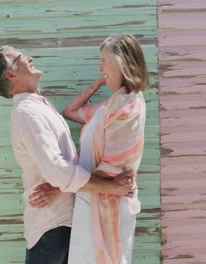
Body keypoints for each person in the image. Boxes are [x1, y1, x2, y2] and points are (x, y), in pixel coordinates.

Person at [0, 45, 136, 264]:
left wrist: (59, 186)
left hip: (64, 223)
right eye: (20, 57)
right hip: (52, 226)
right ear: (11, 74)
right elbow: (59, 172)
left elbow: (61, 171)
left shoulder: (39, 106)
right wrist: (113, 187)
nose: (30, 56)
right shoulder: (28, 113)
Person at [30, 33, 148, 263]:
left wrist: (60, 188)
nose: (100, 69)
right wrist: (98, 84)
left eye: (104, 62)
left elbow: (110, 170)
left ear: (122, 62)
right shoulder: (111, 106)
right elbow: (70, 112)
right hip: (92, 201)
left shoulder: (128, 108)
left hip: (108, 207)